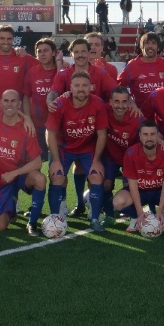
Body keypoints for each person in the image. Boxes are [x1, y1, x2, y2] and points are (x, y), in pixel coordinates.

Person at [46, 72, 109, 231]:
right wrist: (55, 161)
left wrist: (96, 160)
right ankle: (55, 218)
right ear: (71, 88)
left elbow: (102, 134)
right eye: (77, 85)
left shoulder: (98, 103)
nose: (81, 89)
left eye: (84, 85)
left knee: (97, 175)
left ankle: (94, 218)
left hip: (87, 148)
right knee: (57, 176)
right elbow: (50, 133)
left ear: (90, 87)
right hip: (64, 148)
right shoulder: (60, 103)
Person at [0, 90, 47, 234]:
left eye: (13, 101)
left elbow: (37, 162)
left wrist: (14, 173)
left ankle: (32, 223)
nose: (9, 104)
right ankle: (11, 207)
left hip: (19, 175)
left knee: (40, 179)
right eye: (6, 101)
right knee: (1, 227)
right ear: (0, 102)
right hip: (0, 179)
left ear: (19, 103)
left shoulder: (26, 128)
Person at [113, 121, 164, 233]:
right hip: (140, 191)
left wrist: (160, 212)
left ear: (158, 136)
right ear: (140, 136)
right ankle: (134, 217)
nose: (149, 138)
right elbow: (133, 187)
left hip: (159, 191)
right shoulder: (131, 153)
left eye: (153, 134)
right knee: (118, 202)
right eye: (145, 134)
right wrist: (139, 212)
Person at [99, 86, 143, 225]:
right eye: (116, 101)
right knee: (106, 184)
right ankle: (109, 214)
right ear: (110, 102)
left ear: (129, 102)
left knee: (129, 186)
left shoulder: (137, 118)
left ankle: (133, 213)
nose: (120, 105)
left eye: (124, 102)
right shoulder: (104, 110)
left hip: (130, 158)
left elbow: (149, 134)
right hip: (111, 155)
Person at [0, 24, 35, 109]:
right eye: (2, 38)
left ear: (13, 40)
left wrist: (60, 62)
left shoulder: (23, 57)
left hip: (16, 111)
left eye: (9, 39)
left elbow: (45, 65)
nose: (6, 42)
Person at [119, 32, 164, 110]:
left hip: (163, 114)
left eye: (154, 43)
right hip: (140, 114)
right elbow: (118, 87)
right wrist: (130, 102)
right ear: (142, 46)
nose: (150, 46)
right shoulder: (132, 65)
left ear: (158, 47)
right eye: (147, 43)